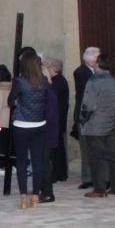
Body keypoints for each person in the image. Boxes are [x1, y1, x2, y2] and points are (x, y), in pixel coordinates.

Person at [80, 54, 115, 198]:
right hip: (111, 124)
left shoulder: (93, 81)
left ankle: (99, 189)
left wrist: (83, 120)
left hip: (94, 125)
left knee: (96, 158)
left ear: (98, 64)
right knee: (113, 157)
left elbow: (88, 105)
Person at [8, 55, 48, 208]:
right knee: (37, 161)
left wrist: (18, 100)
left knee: (22, 161)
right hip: (39, 124)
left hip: (22, 125)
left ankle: (24, 197)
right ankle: (36, 196)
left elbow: (10, 101)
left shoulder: (19, 81)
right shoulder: (43, 81)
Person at [73, 47, 100, 189]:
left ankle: (99, 176)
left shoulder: (99, 72)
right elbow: (85, 94)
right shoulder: (81, 72)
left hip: (98, 115)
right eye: (97, 58)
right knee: (85, 148)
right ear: (90, 60)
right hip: (85, 115)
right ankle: (87, 178)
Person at [43, 57, 69, 187]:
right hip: (57, 118)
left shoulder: (58, 82)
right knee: (56, 147)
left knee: (56, 148)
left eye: (47, 67)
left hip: (56, 119)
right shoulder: (57, 81)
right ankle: (60, 172)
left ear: (52, 68)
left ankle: (58, 173)